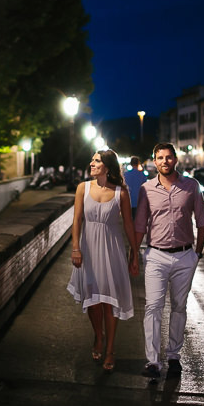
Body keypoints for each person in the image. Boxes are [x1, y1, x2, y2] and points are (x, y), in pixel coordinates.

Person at [133, 142, 204, 380]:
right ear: (154, 162)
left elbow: (202, 221)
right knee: (153, 307)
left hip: (185, 255)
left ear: (175, 160)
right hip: (156, 255)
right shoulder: (146, 189)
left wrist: (197, 253)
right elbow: (140, 225)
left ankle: (174, 356)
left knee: (178, 307)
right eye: (159, 158)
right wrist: (134, 254)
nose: (164, 161)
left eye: (168, 157)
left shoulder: (191, 186)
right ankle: (153, 362)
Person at [67, 149, 138, 372]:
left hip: (112, 250)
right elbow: (76, 220)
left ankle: (110, 349)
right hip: (88, 250)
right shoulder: (83, 188)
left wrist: (134, 253)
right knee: (92, 299)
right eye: (92, 160)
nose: (91, 163)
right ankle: (99, 335)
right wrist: (76, 248)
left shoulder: (121, 193)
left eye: (96, 161)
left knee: (110, 301)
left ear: (107, 167)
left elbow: (128, 225)